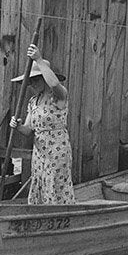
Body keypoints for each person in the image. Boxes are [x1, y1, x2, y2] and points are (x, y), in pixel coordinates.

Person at [8, 44, 75, 205]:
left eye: (36, 79)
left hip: (57, 150)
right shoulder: (33, 101)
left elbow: (54, 84)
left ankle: (60, 215)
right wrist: (17, 126)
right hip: (40, 152)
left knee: (55, 184)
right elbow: (28, 130)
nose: (33, 84)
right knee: (40, 183)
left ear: (45, 77)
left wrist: (38, 59)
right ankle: (40, 213)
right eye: (30, 81)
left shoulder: (58, 96)